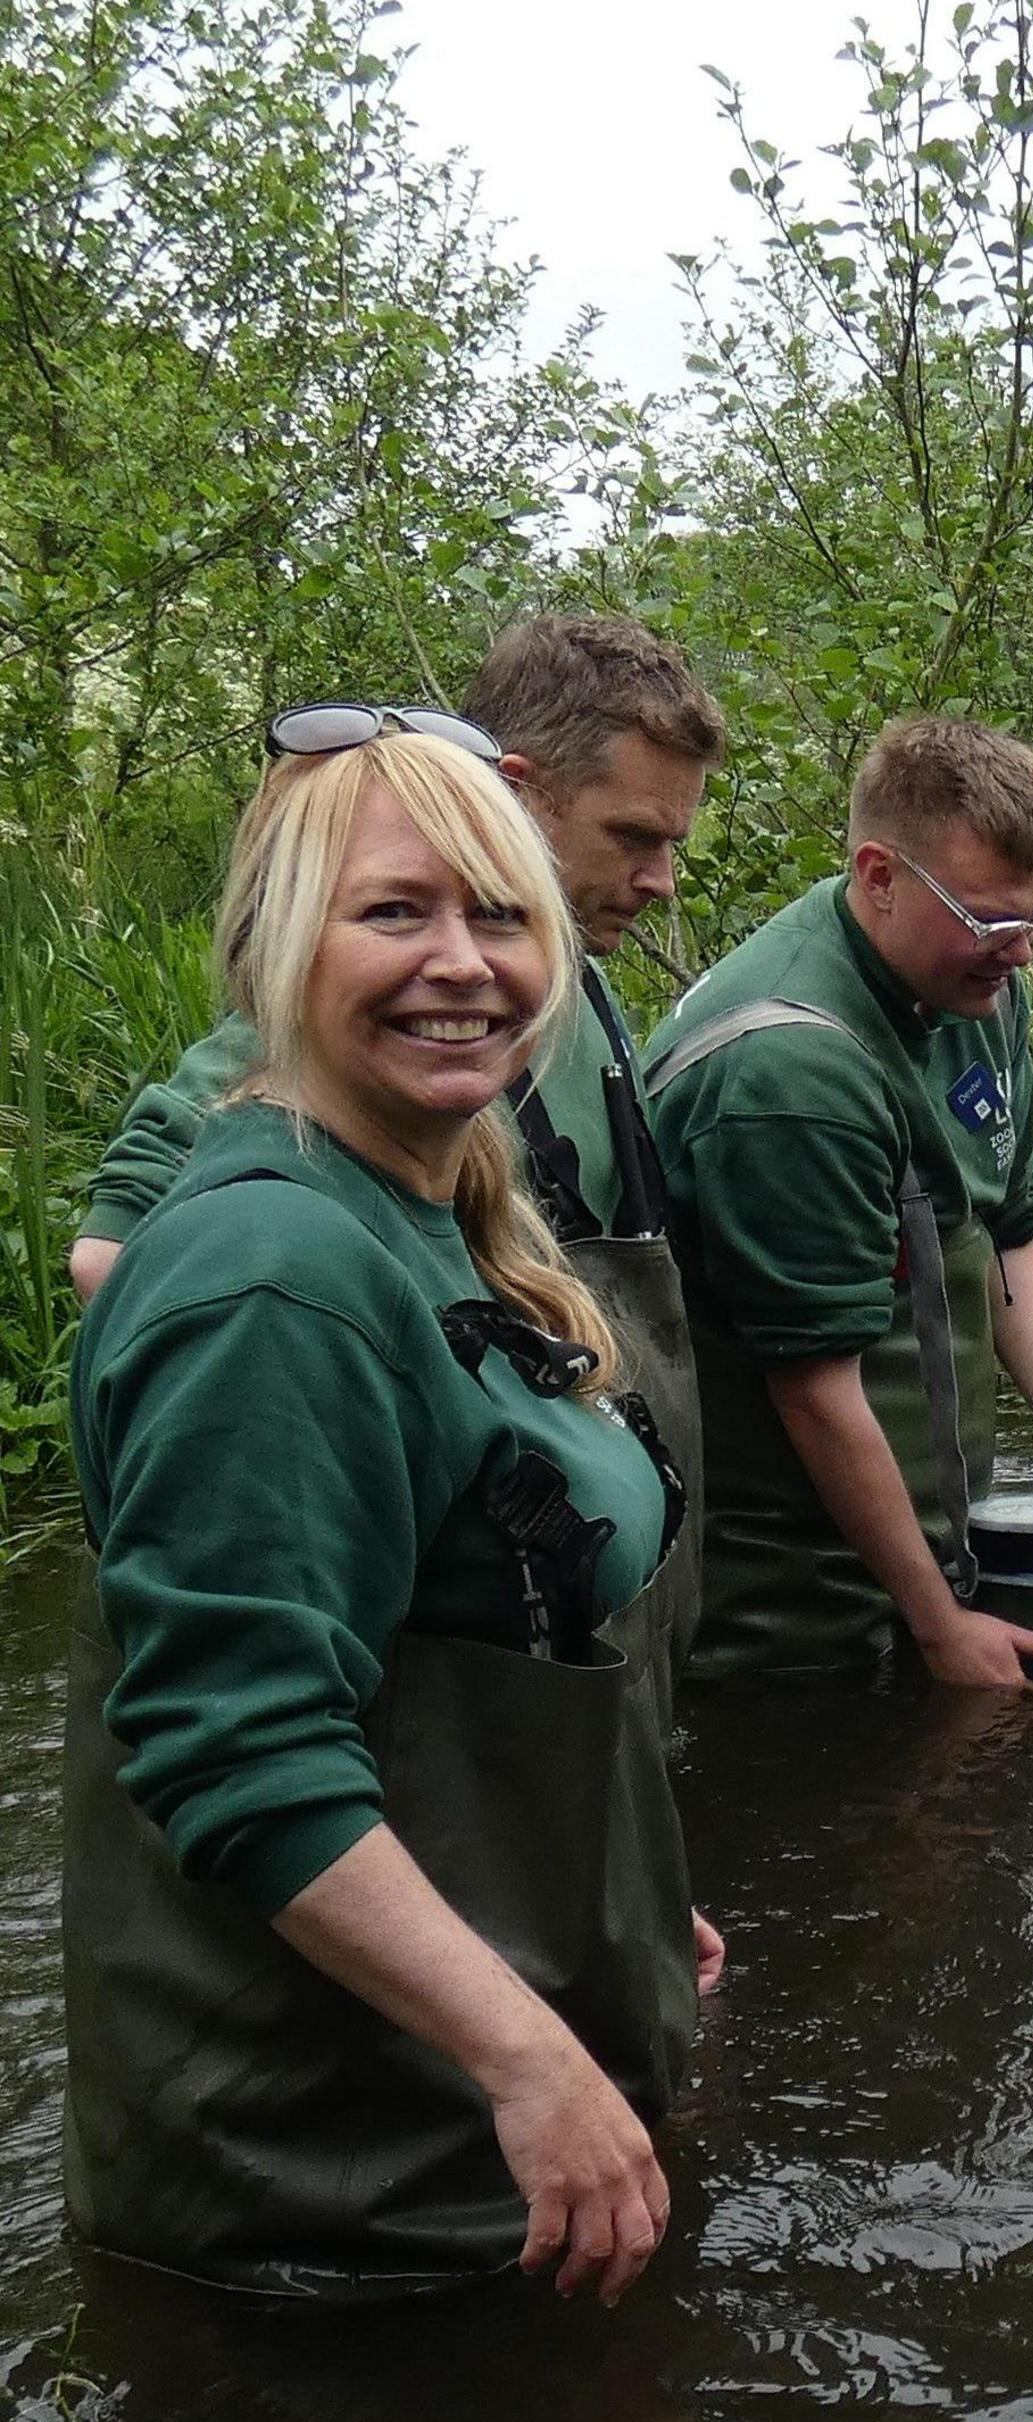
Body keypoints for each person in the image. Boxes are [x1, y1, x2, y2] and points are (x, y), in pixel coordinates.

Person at [67, 718, 709, 2303]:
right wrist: (533, 2064)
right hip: (348, 2194)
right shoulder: (274, 1281)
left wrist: (621, 1888)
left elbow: (476, 1652)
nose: (464, 964)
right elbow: (247, 1748)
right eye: (394, 912)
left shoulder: (437, 1199)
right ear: (279, 944)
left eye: (500, 915)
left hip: (465, 2115)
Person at [69, 621, 728, 1673]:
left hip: (586, 1630)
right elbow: (118, 1264)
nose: (662, 880)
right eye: (634, 835)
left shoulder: (575, 995)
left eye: (506, 919)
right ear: (521, 791)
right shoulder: (337, 1026)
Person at [642, 714, 1033, 1691]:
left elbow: (1008, 1213)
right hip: (781, 1603)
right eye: (991, 920)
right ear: (878, 875)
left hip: (915, 1562)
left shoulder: (977, 982)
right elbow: (813, 1393)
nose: (1023, 952)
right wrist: (944, 1627)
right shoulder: (790, 1071)